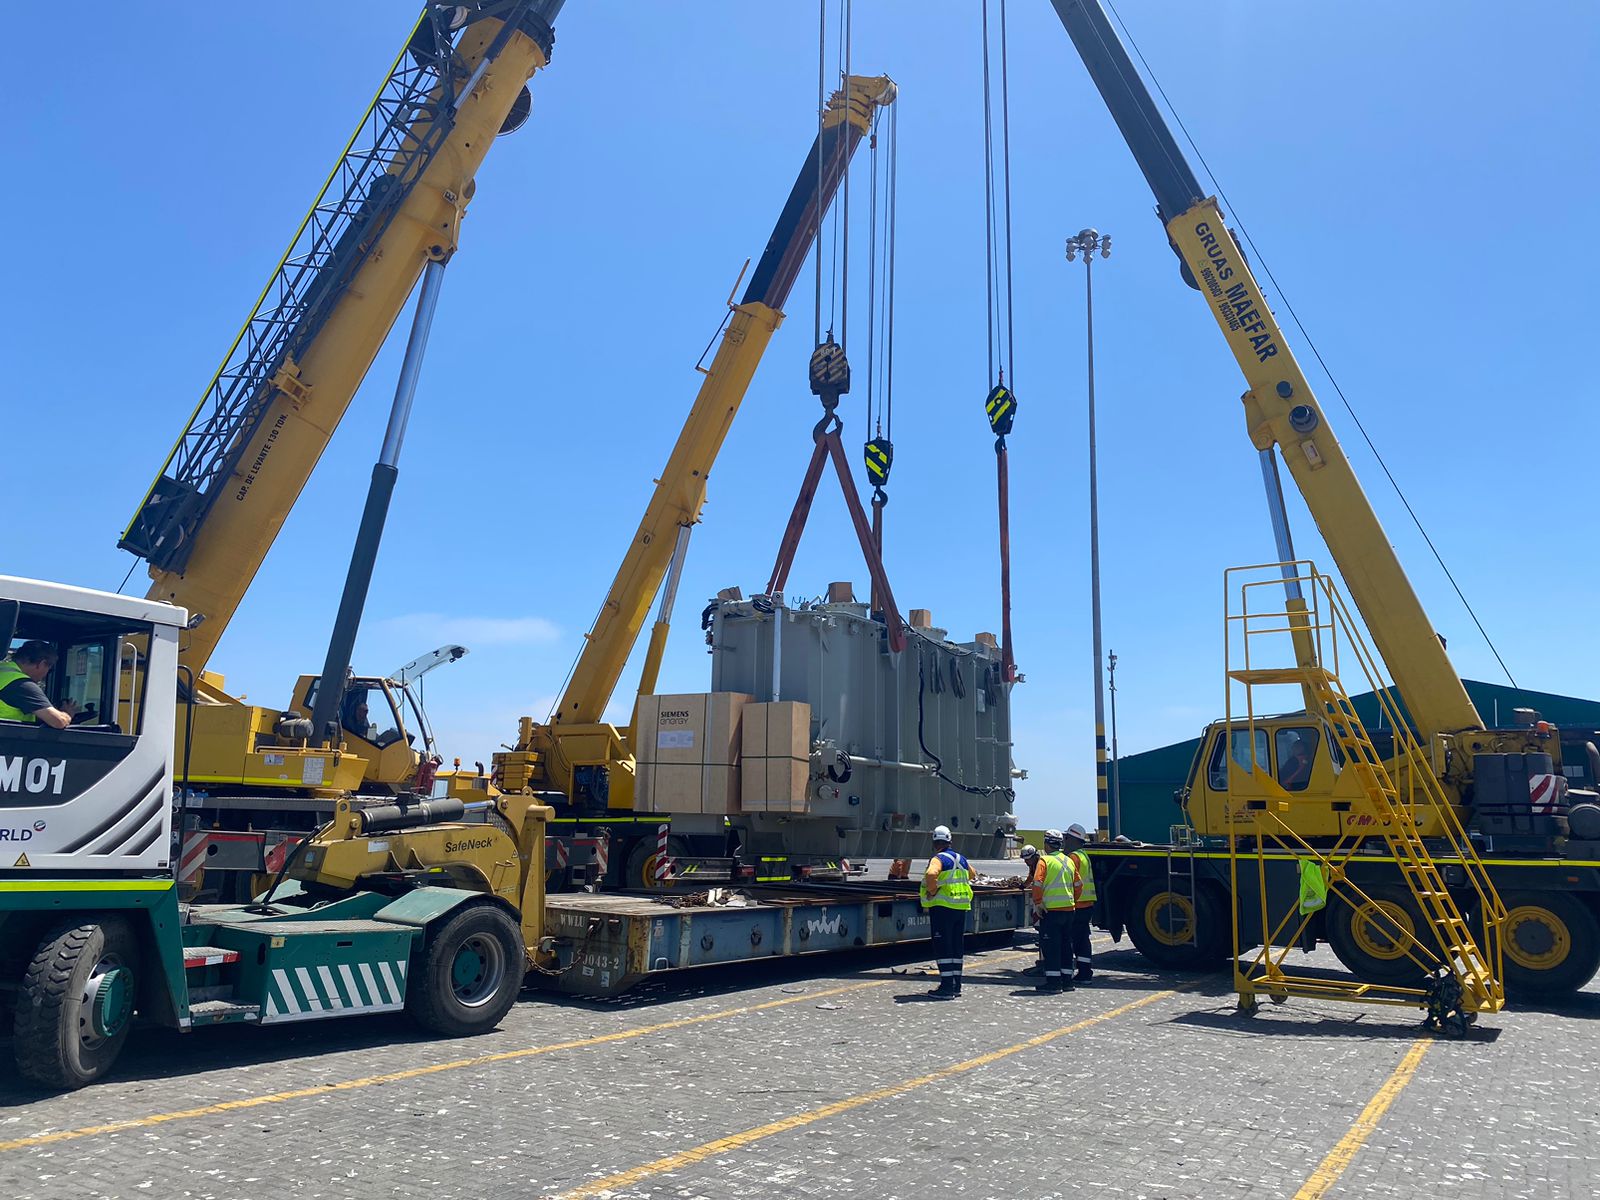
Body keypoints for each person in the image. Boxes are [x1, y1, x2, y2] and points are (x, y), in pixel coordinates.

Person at [918, 825, 974, 999]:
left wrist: (933, 890)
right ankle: (956, 985)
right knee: (957, 947)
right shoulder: (961, 859)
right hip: (960, 907)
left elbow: (931, 874)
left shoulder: (938, 859)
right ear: (950, 841)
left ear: (935, 843)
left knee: (943, 947)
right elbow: (972, 874)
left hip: (943, 908)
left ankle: (946, 987)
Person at [1030, 829, 1078, 992]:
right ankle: (1067, 981)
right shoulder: (1068, 861)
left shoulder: (1045, 861)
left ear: (1046, 844)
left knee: (1051, 948)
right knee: (1066, 947)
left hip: (1051, 912)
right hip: (1069, 910)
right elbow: (1078, 885)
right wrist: (1072, 900)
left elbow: (1037, 883)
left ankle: (1053, 983)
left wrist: (1038, 903)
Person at [0, 642, 79, 729]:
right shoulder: (21, 684)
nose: (45, 675)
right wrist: (66, 714)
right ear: (41, 664)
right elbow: (58, 722)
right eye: (50, 669)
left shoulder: (3, 671)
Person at [1063, 823, 1097, 984]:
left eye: (1067, 837)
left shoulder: (1073, 858)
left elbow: (1069, 881)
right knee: (1083, 939)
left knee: (1071, 939)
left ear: (1073, 839)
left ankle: (1068, 973)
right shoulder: (1083, 855)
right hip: (1087, 904)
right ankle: (1085, 972)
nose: (1065, 840)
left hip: (1077, 904)